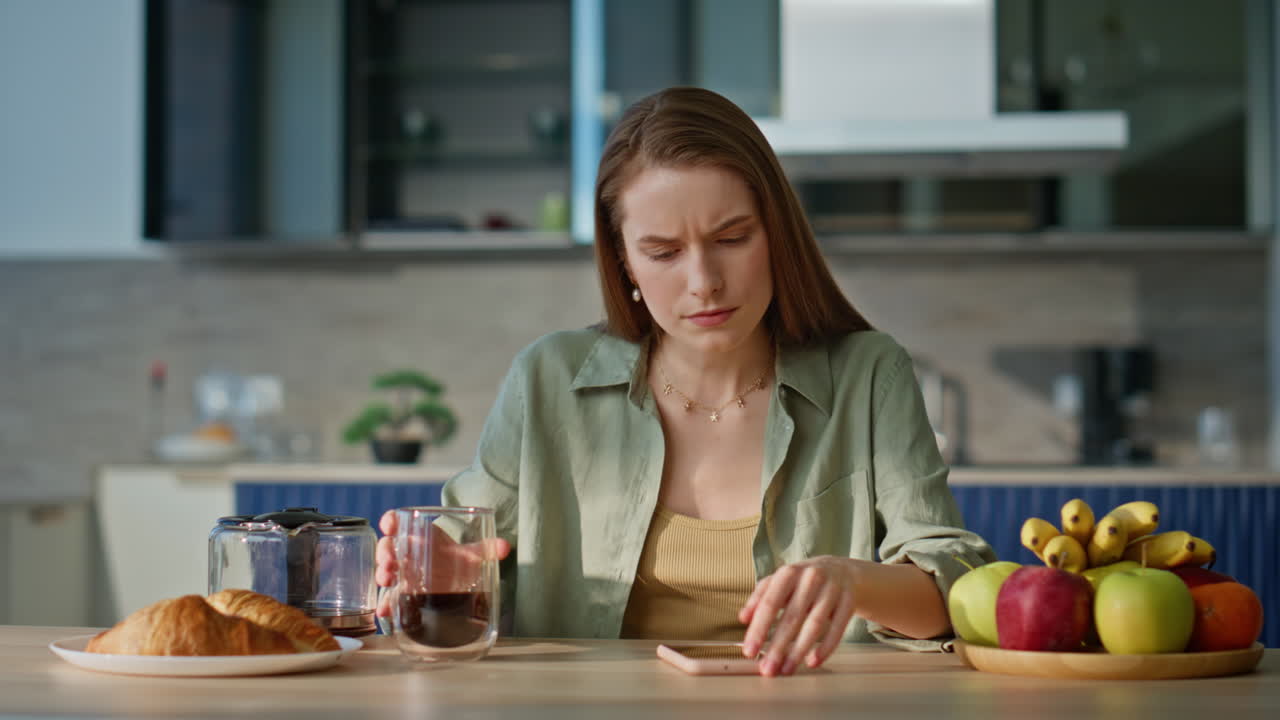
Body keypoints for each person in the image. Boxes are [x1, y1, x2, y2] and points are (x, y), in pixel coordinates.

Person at [376, 86, 995, 676]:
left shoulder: (868, 374)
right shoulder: (547, 381)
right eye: (664, 252)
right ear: (625, 260)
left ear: (776, 233)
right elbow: (455, 555)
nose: (703, 281)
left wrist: (854, 578)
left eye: (731, 238)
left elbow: (958, 589)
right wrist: (428, 570)